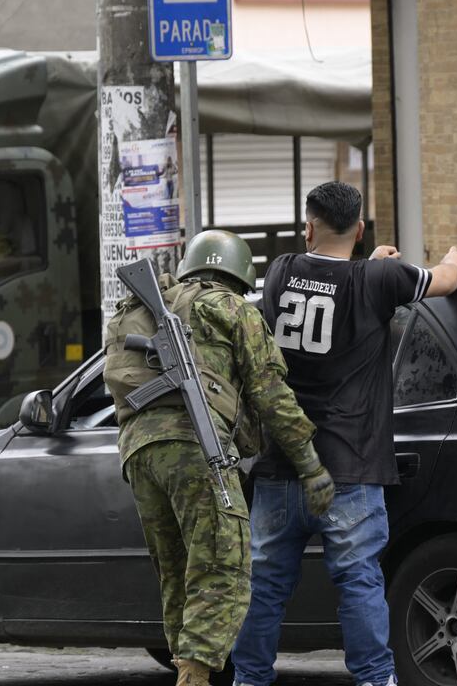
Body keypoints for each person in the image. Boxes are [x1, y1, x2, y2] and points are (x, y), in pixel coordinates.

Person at [232, 181, 457, 686]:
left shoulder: (280, 271)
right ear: (360, 230)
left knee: (263, 587)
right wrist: (456, 258)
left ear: (308, 227)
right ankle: (374, 680)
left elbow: (326, 277)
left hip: (282, 467)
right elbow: (445, 281)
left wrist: (371, 266)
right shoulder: (380, 280)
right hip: (351, 470)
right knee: (359, 582)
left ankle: (248, 679)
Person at [103, 230, 336, 685]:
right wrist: (310, 465)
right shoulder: (230, 309)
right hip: (194, 448)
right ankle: (195, 678)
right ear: (239, 276)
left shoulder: (145, 309)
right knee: (223, 567)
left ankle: (188, 669)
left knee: (177, 574)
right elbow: (273, 397)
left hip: (138, 453)